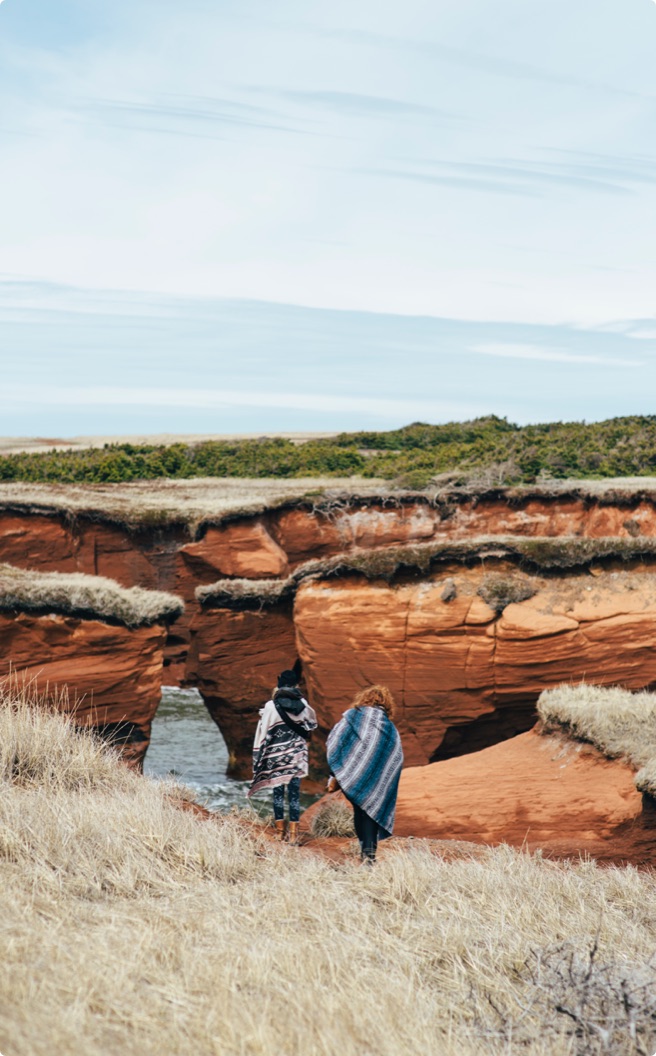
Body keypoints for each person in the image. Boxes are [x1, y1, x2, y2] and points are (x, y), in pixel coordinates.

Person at [326, 685, 403, 864]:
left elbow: (335, 739)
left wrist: (337, 770)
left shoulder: (353, 716)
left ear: (364, 698)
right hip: (377, 779)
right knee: (371, 812)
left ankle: (364, 850)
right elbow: (396, 755)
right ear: (386, 704)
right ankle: (369, 855)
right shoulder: (389, 727)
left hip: (352, 776)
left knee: (359, 810)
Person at [248, 662, 317, 844]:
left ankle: (280, 833)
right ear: (295, 685)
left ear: (279, 685)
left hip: (276, 756)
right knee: (294, 795)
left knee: (278, 793)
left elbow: (263, 732)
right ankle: (294, 836)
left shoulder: (271, 706)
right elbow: (311, 724)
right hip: (296, 756)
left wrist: (258, 756)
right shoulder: (303, 703)